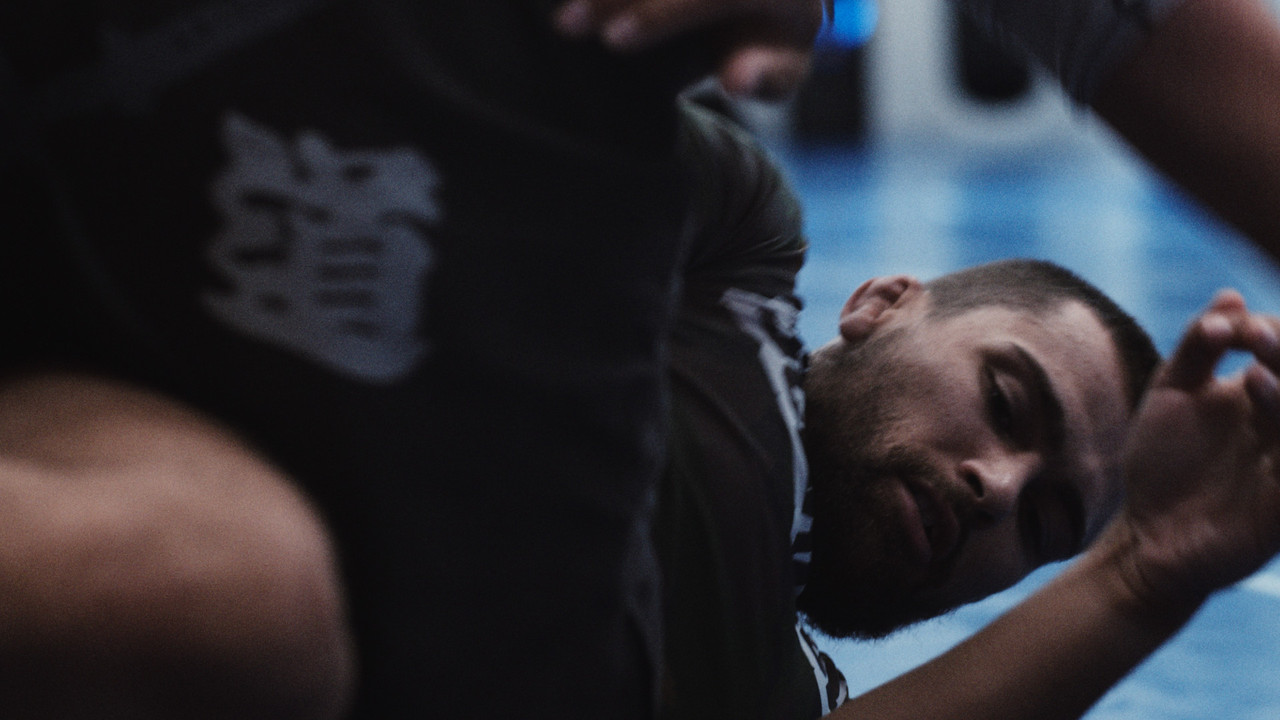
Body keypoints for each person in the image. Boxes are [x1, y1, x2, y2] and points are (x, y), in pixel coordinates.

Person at [657, 95, 1280, 719]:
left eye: (1042, 526)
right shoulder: (727, 256)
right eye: (1003, 404)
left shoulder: (788, 691)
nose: (1002, 490)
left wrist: (1149, 569)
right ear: (881, 305)